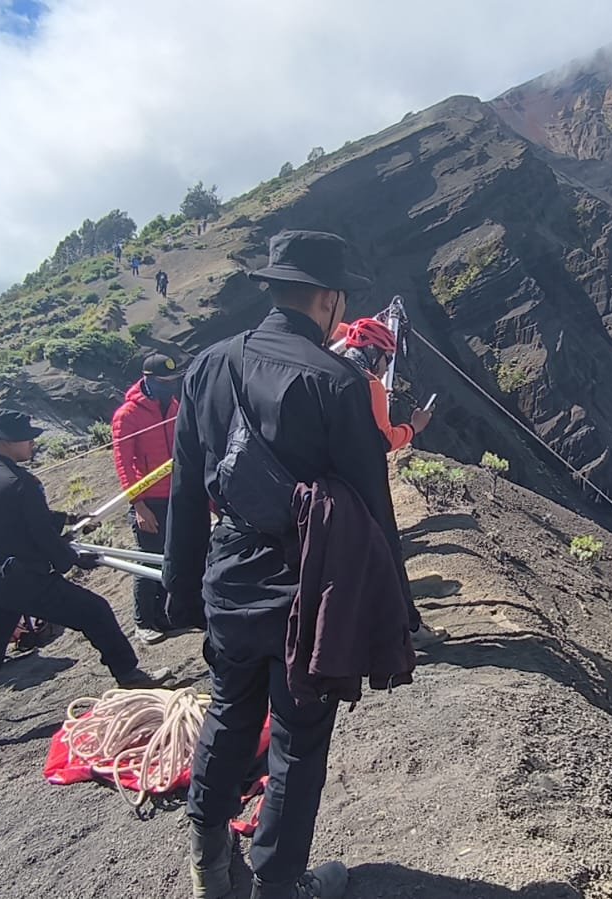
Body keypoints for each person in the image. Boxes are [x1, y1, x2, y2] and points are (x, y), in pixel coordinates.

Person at [165, 230, 413, 899]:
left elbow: (185, 487)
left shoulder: (207, 366)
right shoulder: (338, 381)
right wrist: (396, 606)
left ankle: (210, 865)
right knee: (299, 738)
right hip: (307, 584)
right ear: (330, 300)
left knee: (227, 712)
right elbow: (371, 507)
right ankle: (277, 885)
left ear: (275, 289)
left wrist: (181, 591)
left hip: (228, 573)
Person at [0, 408, 169, 757]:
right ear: (6, 442)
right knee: (95, 611)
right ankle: (129, 675)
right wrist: (73, 560)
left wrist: (69, 519)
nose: (32, 444)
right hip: (21, 579)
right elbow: (39, 532)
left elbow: (16, 519)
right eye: (27, 439)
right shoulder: (23, 483)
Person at [112, 352, 198, 643]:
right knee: (148, 561)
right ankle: (143, 622)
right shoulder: (127, 415)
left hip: (175, 495)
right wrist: (138, 504)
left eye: (172, 380)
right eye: (163, 381)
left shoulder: (174, 406)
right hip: (149, 501)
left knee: (171, 557)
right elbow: (123, 463)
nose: (169, 385)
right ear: (148, 379)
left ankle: (165, 617)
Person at [338, 317, 432, 453]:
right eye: (388, 359)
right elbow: (386, 441)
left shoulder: (328, 368)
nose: (387, 368)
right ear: (372, 351)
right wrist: (414, 427)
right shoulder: (371, 386)